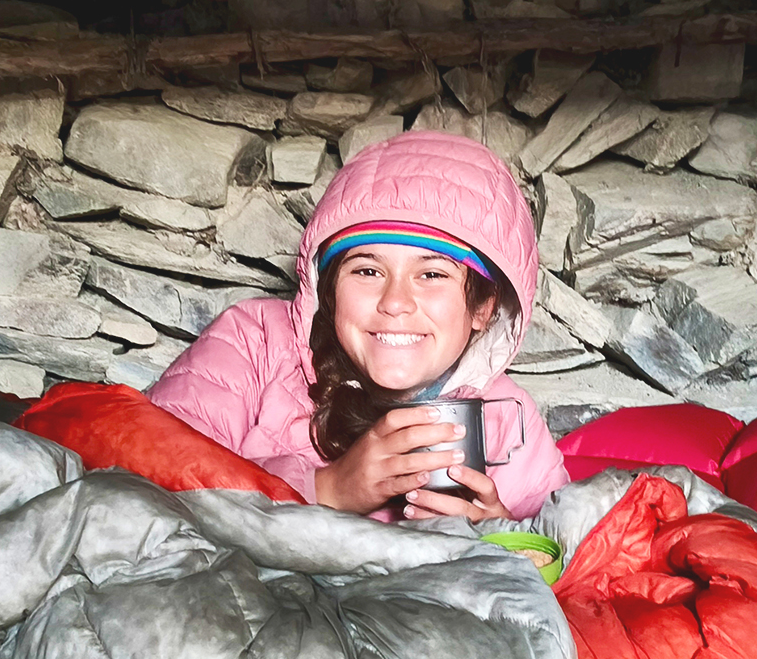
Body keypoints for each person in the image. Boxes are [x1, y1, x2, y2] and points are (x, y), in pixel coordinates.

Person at [149, 128, 568, 520]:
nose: (395, 302)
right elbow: (143, 480)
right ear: (328, 289)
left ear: (482, 308)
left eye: (432, 274)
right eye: (367, 271)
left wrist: (502, 534)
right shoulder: (253, 341)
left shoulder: (505, 418)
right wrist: (326, 489)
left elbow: (566, 553)